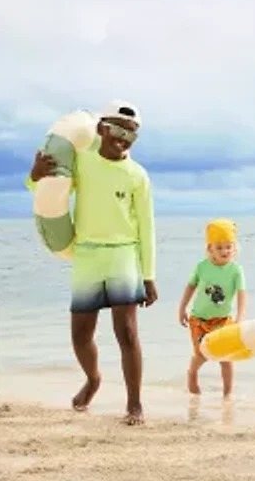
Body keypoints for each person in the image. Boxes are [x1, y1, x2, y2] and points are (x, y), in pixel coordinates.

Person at [27, 101, 157, 425]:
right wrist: (34, 176)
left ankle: (134, 404)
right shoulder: (82, 162)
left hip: (123, 254)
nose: (122, 137)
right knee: (80, 335)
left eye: (131, 133)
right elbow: (49, 190)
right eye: (116, 128)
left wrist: (149, 276)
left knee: (126, 332)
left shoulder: (138, 176)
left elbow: (147, 228)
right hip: (86, 254)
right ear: (100, 128)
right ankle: (94, 379)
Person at [178, 219, 247, 398]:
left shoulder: (236, 270)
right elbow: (190, 287)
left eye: (228, 247)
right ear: (210, 249)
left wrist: (240, 318)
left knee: (226, 358)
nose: (225, 251)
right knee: (201, 354)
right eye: (219, 247)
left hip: (223, 320)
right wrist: (182, 308)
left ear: (234, 248)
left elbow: (241, 294)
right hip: (199, 320)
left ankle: (227, 393)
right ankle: (192, 373)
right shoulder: (202, 267)